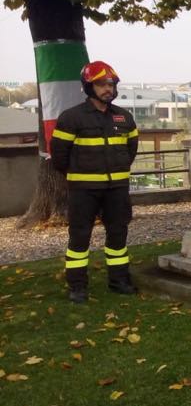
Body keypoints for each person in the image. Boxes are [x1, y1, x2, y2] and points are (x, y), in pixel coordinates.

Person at [50, 61, 140, 303]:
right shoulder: (71, 118)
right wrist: (80, 175)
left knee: (118, 236)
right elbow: (59, 157)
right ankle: (77, 287)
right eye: (101, 84)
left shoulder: (124, 117)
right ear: (89, 87)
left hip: (117, 188)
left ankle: (119, 281)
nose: (108, 89)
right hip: (83, 190)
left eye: (111, 84)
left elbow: (130, 151)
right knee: (79, 238)